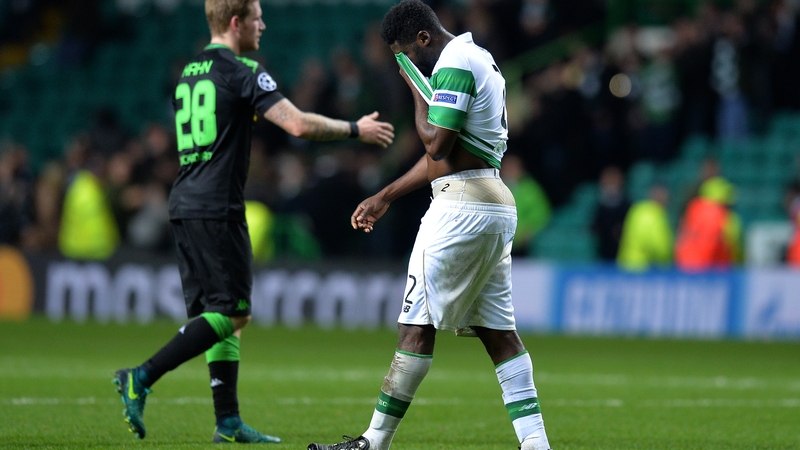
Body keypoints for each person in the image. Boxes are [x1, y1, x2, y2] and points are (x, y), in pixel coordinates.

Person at [112, 0, 394, 443]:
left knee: (221, 314)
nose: (264, 24)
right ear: (237, 22)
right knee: (231, 313)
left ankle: (227, 422)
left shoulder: (188, 73)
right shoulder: (242, 70)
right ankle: (140, 376)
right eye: (258, 17)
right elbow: (298, 125)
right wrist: (354, 129)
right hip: (216, 205)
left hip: (185, 200)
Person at [308, 1, 552, 449]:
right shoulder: (480, 59)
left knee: (415, 328)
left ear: (423, 38)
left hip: (460, 208)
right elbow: (444, 156)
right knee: (500, 335)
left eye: (406, 53)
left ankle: (374, 443)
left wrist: (415, 87)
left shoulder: (455, 62)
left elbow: (435, 144)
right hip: (492, 200)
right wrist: (385, 196)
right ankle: (536, 444)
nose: (408, 63)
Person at [674, 176, 742, 270]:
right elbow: (735, 245)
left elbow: (680, 238)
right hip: (715, 273)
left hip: (686, 269)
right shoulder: (726, 216)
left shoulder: (691, 209)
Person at [616, 182, 673, 271]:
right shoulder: (656, 214)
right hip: (643, 270)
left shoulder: (636, 209)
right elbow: (659, 247)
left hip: (626, 263)